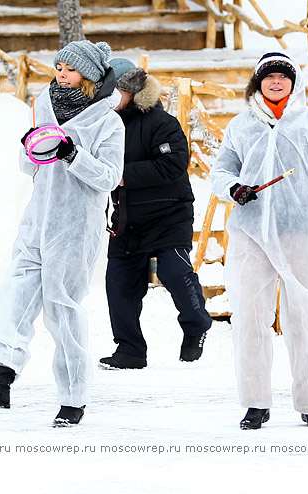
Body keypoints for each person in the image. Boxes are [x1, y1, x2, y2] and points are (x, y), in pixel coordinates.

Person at [0, 40, 124, 427]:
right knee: (17, 295)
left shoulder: (108, 122)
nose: (60, 73)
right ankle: (0, 380)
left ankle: (73, 398)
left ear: (87, 75)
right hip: (37, 218)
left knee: (62, 308)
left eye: (69, 68)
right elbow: (29, 164)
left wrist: (73, 155)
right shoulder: (44, 104)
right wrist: (28, 148)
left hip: (75, 227)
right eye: (58, 66)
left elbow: (109, 177)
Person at [210, 52, 308, 430]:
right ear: (257, 82)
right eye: (269, 76)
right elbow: (221, 171)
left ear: (294, 83)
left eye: (283, 76)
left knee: (305, 318)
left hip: (298, 233)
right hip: (250, 235)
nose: (276, 82)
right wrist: (235, 189)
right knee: (250, 319)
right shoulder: (240, 126)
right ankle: (255, 403)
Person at [97, 58, 212, 370]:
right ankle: (130, 349)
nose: (108, 97)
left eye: (114, 91)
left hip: (168, 214)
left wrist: (122, 175)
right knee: (118, 283)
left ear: (131, 91)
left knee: (174, 272)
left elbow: (173, 164)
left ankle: (196, 324)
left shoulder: (161, 123)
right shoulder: (103, 124)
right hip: (126, 219)